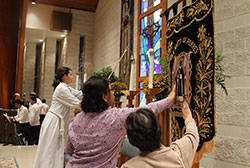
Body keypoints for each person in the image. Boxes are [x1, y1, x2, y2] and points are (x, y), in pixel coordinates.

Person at [65, 76, 176, 168]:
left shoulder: (77, 119)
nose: (113, 93)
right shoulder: (115, 117)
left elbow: (69, 150)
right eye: (111, 90)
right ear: (104, 96)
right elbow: (147, 110)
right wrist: (170, 99)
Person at [121, 101, 199, 168]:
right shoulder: (179, 154)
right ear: (158, 129)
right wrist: (188, 116)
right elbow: (192, 134)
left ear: (131, 141)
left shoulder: (128, 166)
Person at [34, 67, 83, 168]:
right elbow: (77, 104)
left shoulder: (66, 87)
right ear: (64, 76)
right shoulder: (61, 89)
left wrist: (94, 90)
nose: (72, 77)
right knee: (51, 149)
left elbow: (79, 94)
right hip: (54, 121)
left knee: (56, 148)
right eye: (70, 74)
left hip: (58, 120)